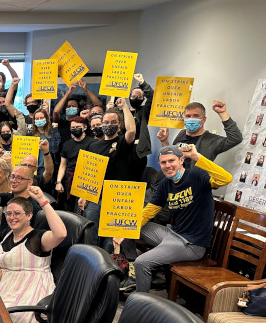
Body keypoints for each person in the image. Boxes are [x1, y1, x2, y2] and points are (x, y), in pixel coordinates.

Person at [118, 144, 232, 293]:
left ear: (182, 160)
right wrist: (123, 231)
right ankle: (132, 272)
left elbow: (226, 179)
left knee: (143, 262)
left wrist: (196, 156)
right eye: (164, 162)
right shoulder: (166, 183)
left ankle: (140, 303)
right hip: (172, 234)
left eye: (172, 161)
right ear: (159, 164)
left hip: (191, 245)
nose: (168, 166)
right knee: (126, 225)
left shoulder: (197, 175)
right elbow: (150, 210)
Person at [0, 189, 66, 323]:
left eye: (17, 213)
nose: (12, 217)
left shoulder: (38, 238)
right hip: (4, 285)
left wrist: (43, 201)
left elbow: (61, 234)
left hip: (29, 289)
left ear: (29, 216)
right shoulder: (7, 233)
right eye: (9, 214)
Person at [80, 102, 136, 250]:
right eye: (105, 122)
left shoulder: (123, 142)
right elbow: (88, 174)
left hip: (117, 197)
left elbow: (131, 131)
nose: (108, 125)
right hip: (96, 197)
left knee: (112, 241)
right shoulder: (93, 146)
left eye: (113, 122)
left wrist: (124, 106)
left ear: (119, 125)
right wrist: (84, 195)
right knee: (90, 234)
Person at [0, 147, 45, 234]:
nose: (14, 181)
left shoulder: (33, 207)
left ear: (30, 182)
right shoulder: (9, 197)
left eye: (20, 178)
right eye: (13, 176)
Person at [157, 100, 243, 167]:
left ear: (203, 120)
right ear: (183, 119)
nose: (191, 119)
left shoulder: (212, 140)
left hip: (194, 186)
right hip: (174, 182)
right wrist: (164, 141)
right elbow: (171, 156)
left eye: (196, 116)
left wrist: (222, 113)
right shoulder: (182, 133)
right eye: (188, 116)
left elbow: (236, 138)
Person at [55, 116, 96, 213]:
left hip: (86, 179)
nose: (75, 130)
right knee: (68, 209)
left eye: (78, 127)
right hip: (69, 180)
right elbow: (62, 165)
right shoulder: (67, 144)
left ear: (85, 127)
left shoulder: (93, 143)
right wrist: (58, 182)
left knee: (83, 210)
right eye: (72, 128)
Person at [53, 79, 103, 152]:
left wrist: (85, 89)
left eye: (73, 106)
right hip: (64, 154)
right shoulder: (62, 123)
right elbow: (56, 111)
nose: (71, 108)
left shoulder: (84, 121)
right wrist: (68, 93)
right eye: (69, 106)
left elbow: (98, 105)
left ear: (78, 109)